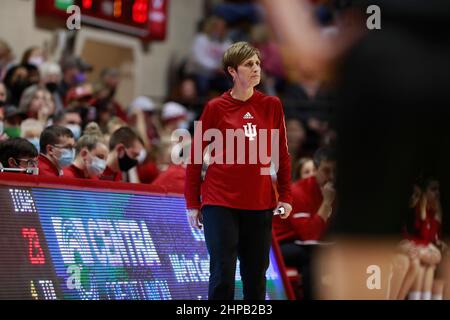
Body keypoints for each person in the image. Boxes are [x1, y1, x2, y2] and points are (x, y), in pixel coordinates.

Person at [185, 41, 292, 300]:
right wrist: (192, 202)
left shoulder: (272, 105)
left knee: (255, 277)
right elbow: (196, 158)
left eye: (257, 63)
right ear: (232, 71)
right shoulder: (215, 108)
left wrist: (286, 196)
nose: (256, 68)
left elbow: (282, 154)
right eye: (249, 64)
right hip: (220, 201)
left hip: (260, 202)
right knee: (222, 273)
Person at [273, 147, 336, 300]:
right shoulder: (298, 192)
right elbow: (310, 235)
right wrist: (327, 203)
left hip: (305, 244)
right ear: (316, 170)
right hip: (278, 246)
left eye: (336, 171)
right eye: (327, 171)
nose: (332, 177)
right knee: (313, 256)